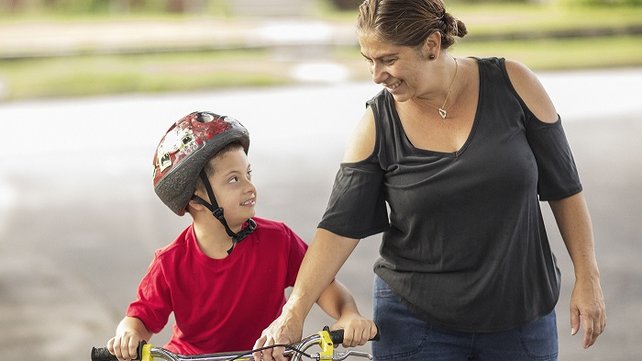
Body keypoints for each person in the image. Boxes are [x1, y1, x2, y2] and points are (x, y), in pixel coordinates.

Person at [254, 1, 606, 360]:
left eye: (388, 60)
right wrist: (293, 311)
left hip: (522, 319)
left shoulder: (515, 84)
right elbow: (338, 228)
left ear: (432, 45)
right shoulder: (378, 123)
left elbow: (565, 188)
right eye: (368, 60)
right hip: (415, 326)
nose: (377, 75)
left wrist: (588, 277)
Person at [105, 111, 375, 360]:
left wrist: (348, 315)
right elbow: (138, 320)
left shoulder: (278, 240)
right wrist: (128, 335)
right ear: (196, 199)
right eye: (234, 179)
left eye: (248, 174)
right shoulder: (170, 263)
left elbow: (325, 286)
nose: (250, 187)